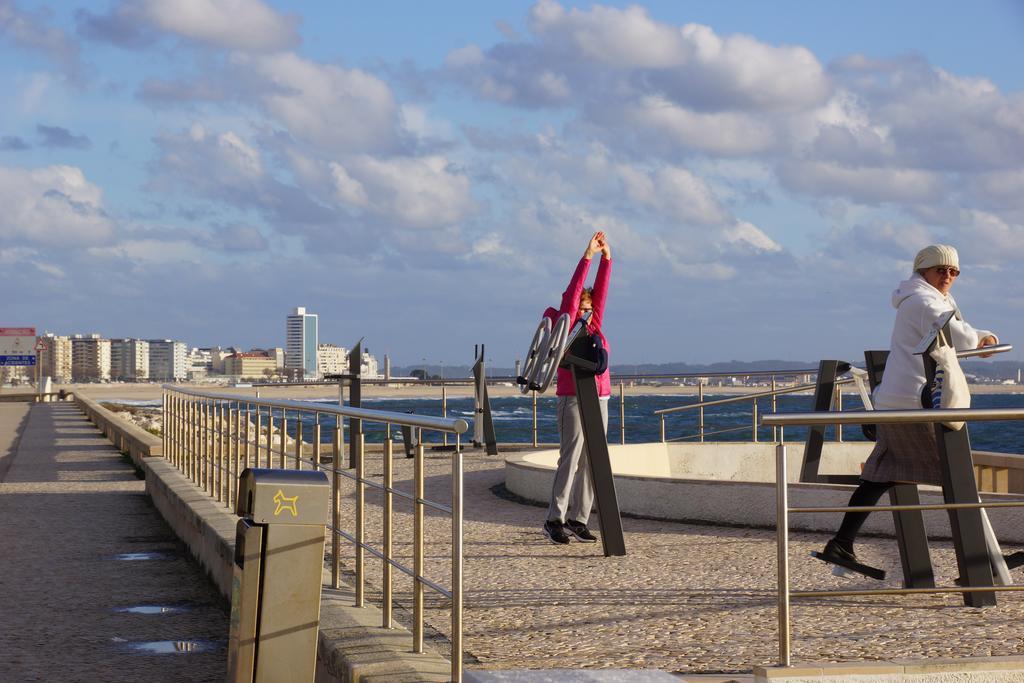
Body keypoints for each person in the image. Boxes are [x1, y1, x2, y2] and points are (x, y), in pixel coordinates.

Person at [818, 244, 998, 573]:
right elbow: (958, 337)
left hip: (898, 401)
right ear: (923, 271)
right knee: (953, 477)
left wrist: (983, 337)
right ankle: (979, 564)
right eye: (940, 270)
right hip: (912, 404)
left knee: (882, 475)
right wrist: (983, 341)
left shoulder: (932, 299)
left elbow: (960, 327)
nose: (947, 276)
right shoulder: (922, 301)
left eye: (953, 271)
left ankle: (841, 545)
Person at [543, 231, 612, 545]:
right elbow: (573, 296)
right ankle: (554, 519)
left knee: (591, 461)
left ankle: (578, 518)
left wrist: (607, 260)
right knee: (570, 458)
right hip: (572, 396)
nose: (585, 312)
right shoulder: (566, 323)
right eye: (581, 307)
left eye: (588, 308)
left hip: (599, 396)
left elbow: (601, 293)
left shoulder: (594, 324)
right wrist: (587, 257)